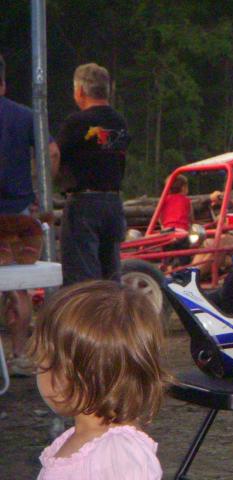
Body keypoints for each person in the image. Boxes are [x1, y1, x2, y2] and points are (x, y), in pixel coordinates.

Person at [29, 280, 170, 479]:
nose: (37, 372)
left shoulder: (118, 454)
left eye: (41, 363)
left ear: (68, 375)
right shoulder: (84, 440)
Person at [0, 53, 60, 376]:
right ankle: (19, 354)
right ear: (4, 83)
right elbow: (52, 152)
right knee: (18, 285)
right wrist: (41, 191)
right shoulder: (24, 115)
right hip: (19, 211)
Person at [56, 63, 130, 286]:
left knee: (83, 276)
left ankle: (89, 309)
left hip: (84, 203)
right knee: (111, 274)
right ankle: (112, 308)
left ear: (80, 91)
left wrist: (46, 182)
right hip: (113, 202)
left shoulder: (76, 123)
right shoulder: (119, 122)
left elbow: (55, 155)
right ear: (108, 89)